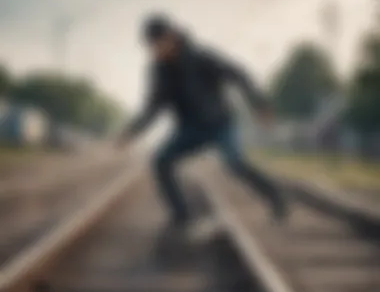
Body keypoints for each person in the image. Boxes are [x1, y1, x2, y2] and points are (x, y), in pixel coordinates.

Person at [117, 14, 288, 231]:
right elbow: (153, 107)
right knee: (161, 162)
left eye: (158, 43)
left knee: (234, 163)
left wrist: (259, 103)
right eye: (151, 45)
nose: (155, 50)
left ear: (170, 37)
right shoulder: (159, 71)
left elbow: (237, 73)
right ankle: (182, 217)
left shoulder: (200, 57)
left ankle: (276, 197)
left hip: (220, 125)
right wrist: (131, 132)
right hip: (190, 130)